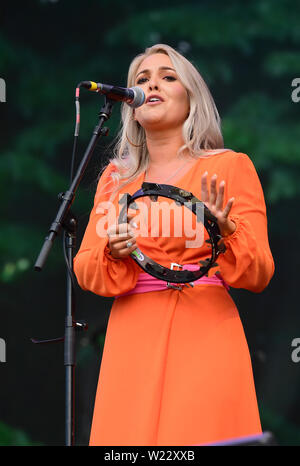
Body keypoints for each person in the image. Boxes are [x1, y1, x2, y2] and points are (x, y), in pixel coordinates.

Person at [73, 44, 274, 446]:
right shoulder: (115, 180)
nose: (152, 84)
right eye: (142, 80)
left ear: (192, 98)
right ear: (130, 103)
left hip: (206, 328)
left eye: (168, 76)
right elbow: (86, 270)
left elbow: (259, 272)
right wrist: (113, 249)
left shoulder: (229, 167)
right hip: (132, 336)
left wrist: (226, 227)